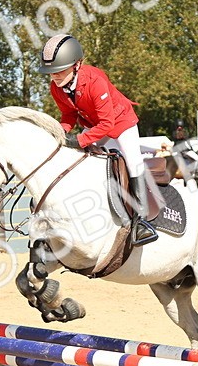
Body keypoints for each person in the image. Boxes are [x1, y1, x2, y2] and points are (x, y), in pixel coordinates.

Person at [36, 34, 157, 245]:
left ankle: (141, 222)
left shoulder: (95, 81)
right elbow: (68, 115)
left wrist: (80, 140)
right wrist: (61, 133)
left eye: (60, 70)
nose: (54, 76)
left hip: (120, 124)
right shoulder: (56, 88)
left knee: (132, 162)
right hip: (94, 126)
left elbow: (107, 125)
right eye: (51, 72)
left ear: (77, 65)